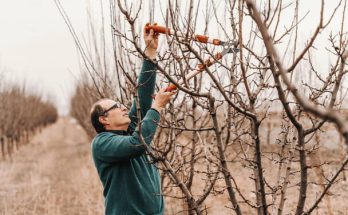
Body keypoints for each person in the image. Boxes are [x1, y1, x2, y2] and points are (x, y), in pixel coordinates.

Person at [90, 24, 175, 215]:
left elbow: (142, 99)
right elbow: (138, 143)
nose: (122, 107)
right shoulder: (102, 143)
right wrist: (157, 108)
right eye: (115, 107)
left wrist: (151, 52)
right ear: (104, 119)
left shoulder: (127, 131)